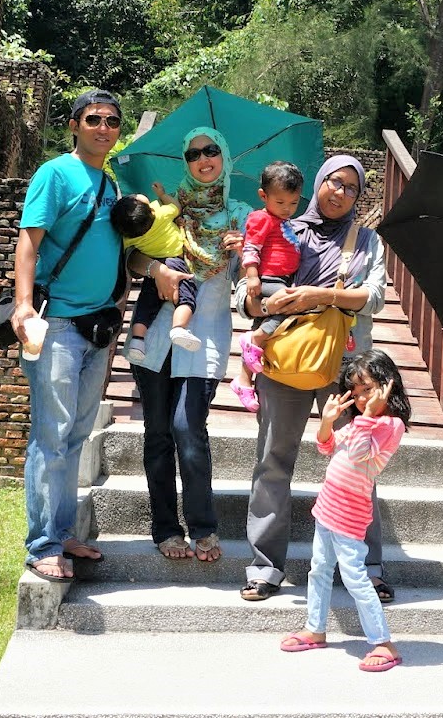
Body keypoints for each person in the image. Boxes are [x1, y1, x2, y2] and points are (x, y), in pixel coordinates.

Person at [241, 154, 392, 603]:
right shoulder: (284, 224)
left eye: (350, 187)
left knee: (358, 463)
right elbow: (246, 295)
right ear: (319, 183)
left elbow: (375, 297)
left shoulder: (367, 241)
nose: (339, 192)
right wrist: (264, 304)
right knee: (273, 458)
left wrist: (320, 293)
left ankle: (366, 565)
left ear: (358, 196)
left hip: (347, 368)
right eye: (333, 181)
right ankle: (265, 567)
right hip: (286, 356)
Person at [11, 88, 125, 582]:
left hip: (98, 326)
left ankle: (62, 531)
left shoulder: (112, 186)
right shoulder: (55, 173)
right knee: (51, 436)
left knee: (76, 436)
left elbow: (121, 255)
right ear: (75, 125)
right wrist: (22, 304)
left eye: (112, 121)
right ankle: (43, 544)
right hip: (56, 323)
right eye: (94, 119)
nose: (104, 127)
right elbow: (28, 243)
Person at [131, 127, 250, 562]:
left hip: (204, 336)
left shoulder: (241, 214)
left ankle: (203, 526)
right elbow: (134, 256)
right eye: (194, 152)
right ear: (186, 161)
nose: (203, 158)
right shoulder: (170, 208)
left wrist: (244, 256)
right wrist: (157, 269)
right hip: (156, 336)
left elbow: (249, 285)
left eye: (212, 150)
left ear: (225, 157)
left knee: (187, 429)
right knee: (158, 435)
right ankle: (165, 528)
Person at [277, 350, 409, 673]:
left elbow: (364, 456)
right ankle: (315, 628)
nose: (363, 398)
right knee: (319, 569)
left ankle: (383, 642)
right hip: (327, 508)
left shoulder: (390, 425)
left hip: (350, 514)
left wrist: (368, 416)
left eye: (369, 389)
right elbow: (327, 447)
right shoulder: (357, 423)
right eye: (358, 392)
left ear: (388, 385)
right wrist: (326, 421)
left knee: (355, 578)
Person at [233, 160, 306, 411]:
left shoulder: (283, 221)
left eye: (294, 203)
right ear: (263, 196)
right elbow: (252, 247)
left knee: (280, 313)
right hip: (268, 280)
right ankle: (255, 339)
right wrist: (252, 275)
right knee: (296, 303)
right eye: (281, 202)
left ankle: (244, 382)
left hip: (282, 279)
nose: (287, 209)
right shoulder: (261, 218)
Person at [110, 184, 212, 363]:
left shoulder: (128, 237)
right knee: (187, 298)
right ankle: (179, 327)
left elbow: (125, 254)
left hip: (155, 268)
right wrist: (163, 195)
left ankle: (137, 340)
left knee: (146, 303)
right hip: (176, 263)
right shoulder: (160, 214)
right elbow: (176, 207)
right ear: (150, 211)